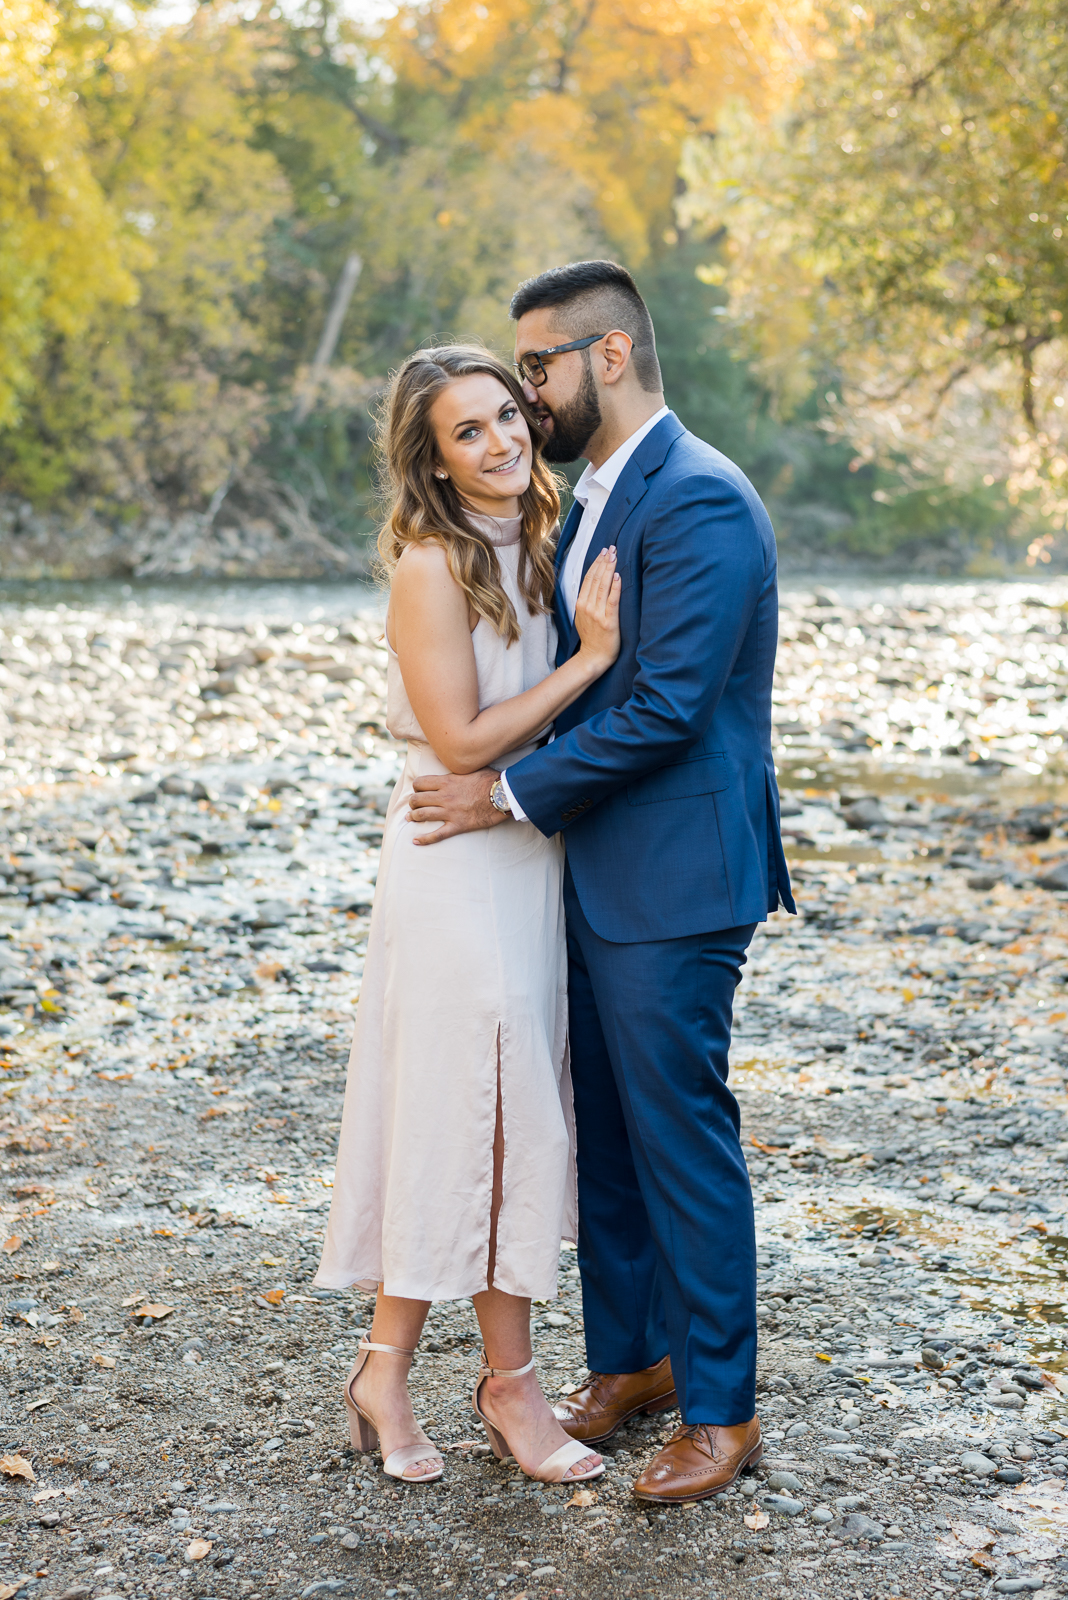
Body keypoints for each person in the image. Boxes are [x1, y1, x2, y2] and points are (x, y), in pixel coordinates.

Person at [407, 261, 795, 1505]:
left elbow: (672, 706)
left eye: (539, 367)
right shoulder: (594, 496)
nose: (526, 394)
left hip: (678, 875)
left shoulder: (701, 498)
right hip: (595, 865)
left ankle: (723, 1412)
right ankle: (635, 1360)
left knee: (681, 1136)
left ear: (609, 355)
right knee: (610, 1140)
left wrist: (502, 794)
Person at [314, 343, 622, 1487]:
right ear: (433, 461)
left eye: (506, 416)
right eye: (467, 432)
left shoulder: (546, 537)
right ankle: (487, 1384)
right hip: (450, 857)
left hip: (522, 849)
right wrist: (589, 662)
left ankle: (413, 1372)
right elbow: (458, 740)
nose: (499, 442)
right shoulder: (432, 563)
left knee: (502, 1115)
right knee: (473, 1111)